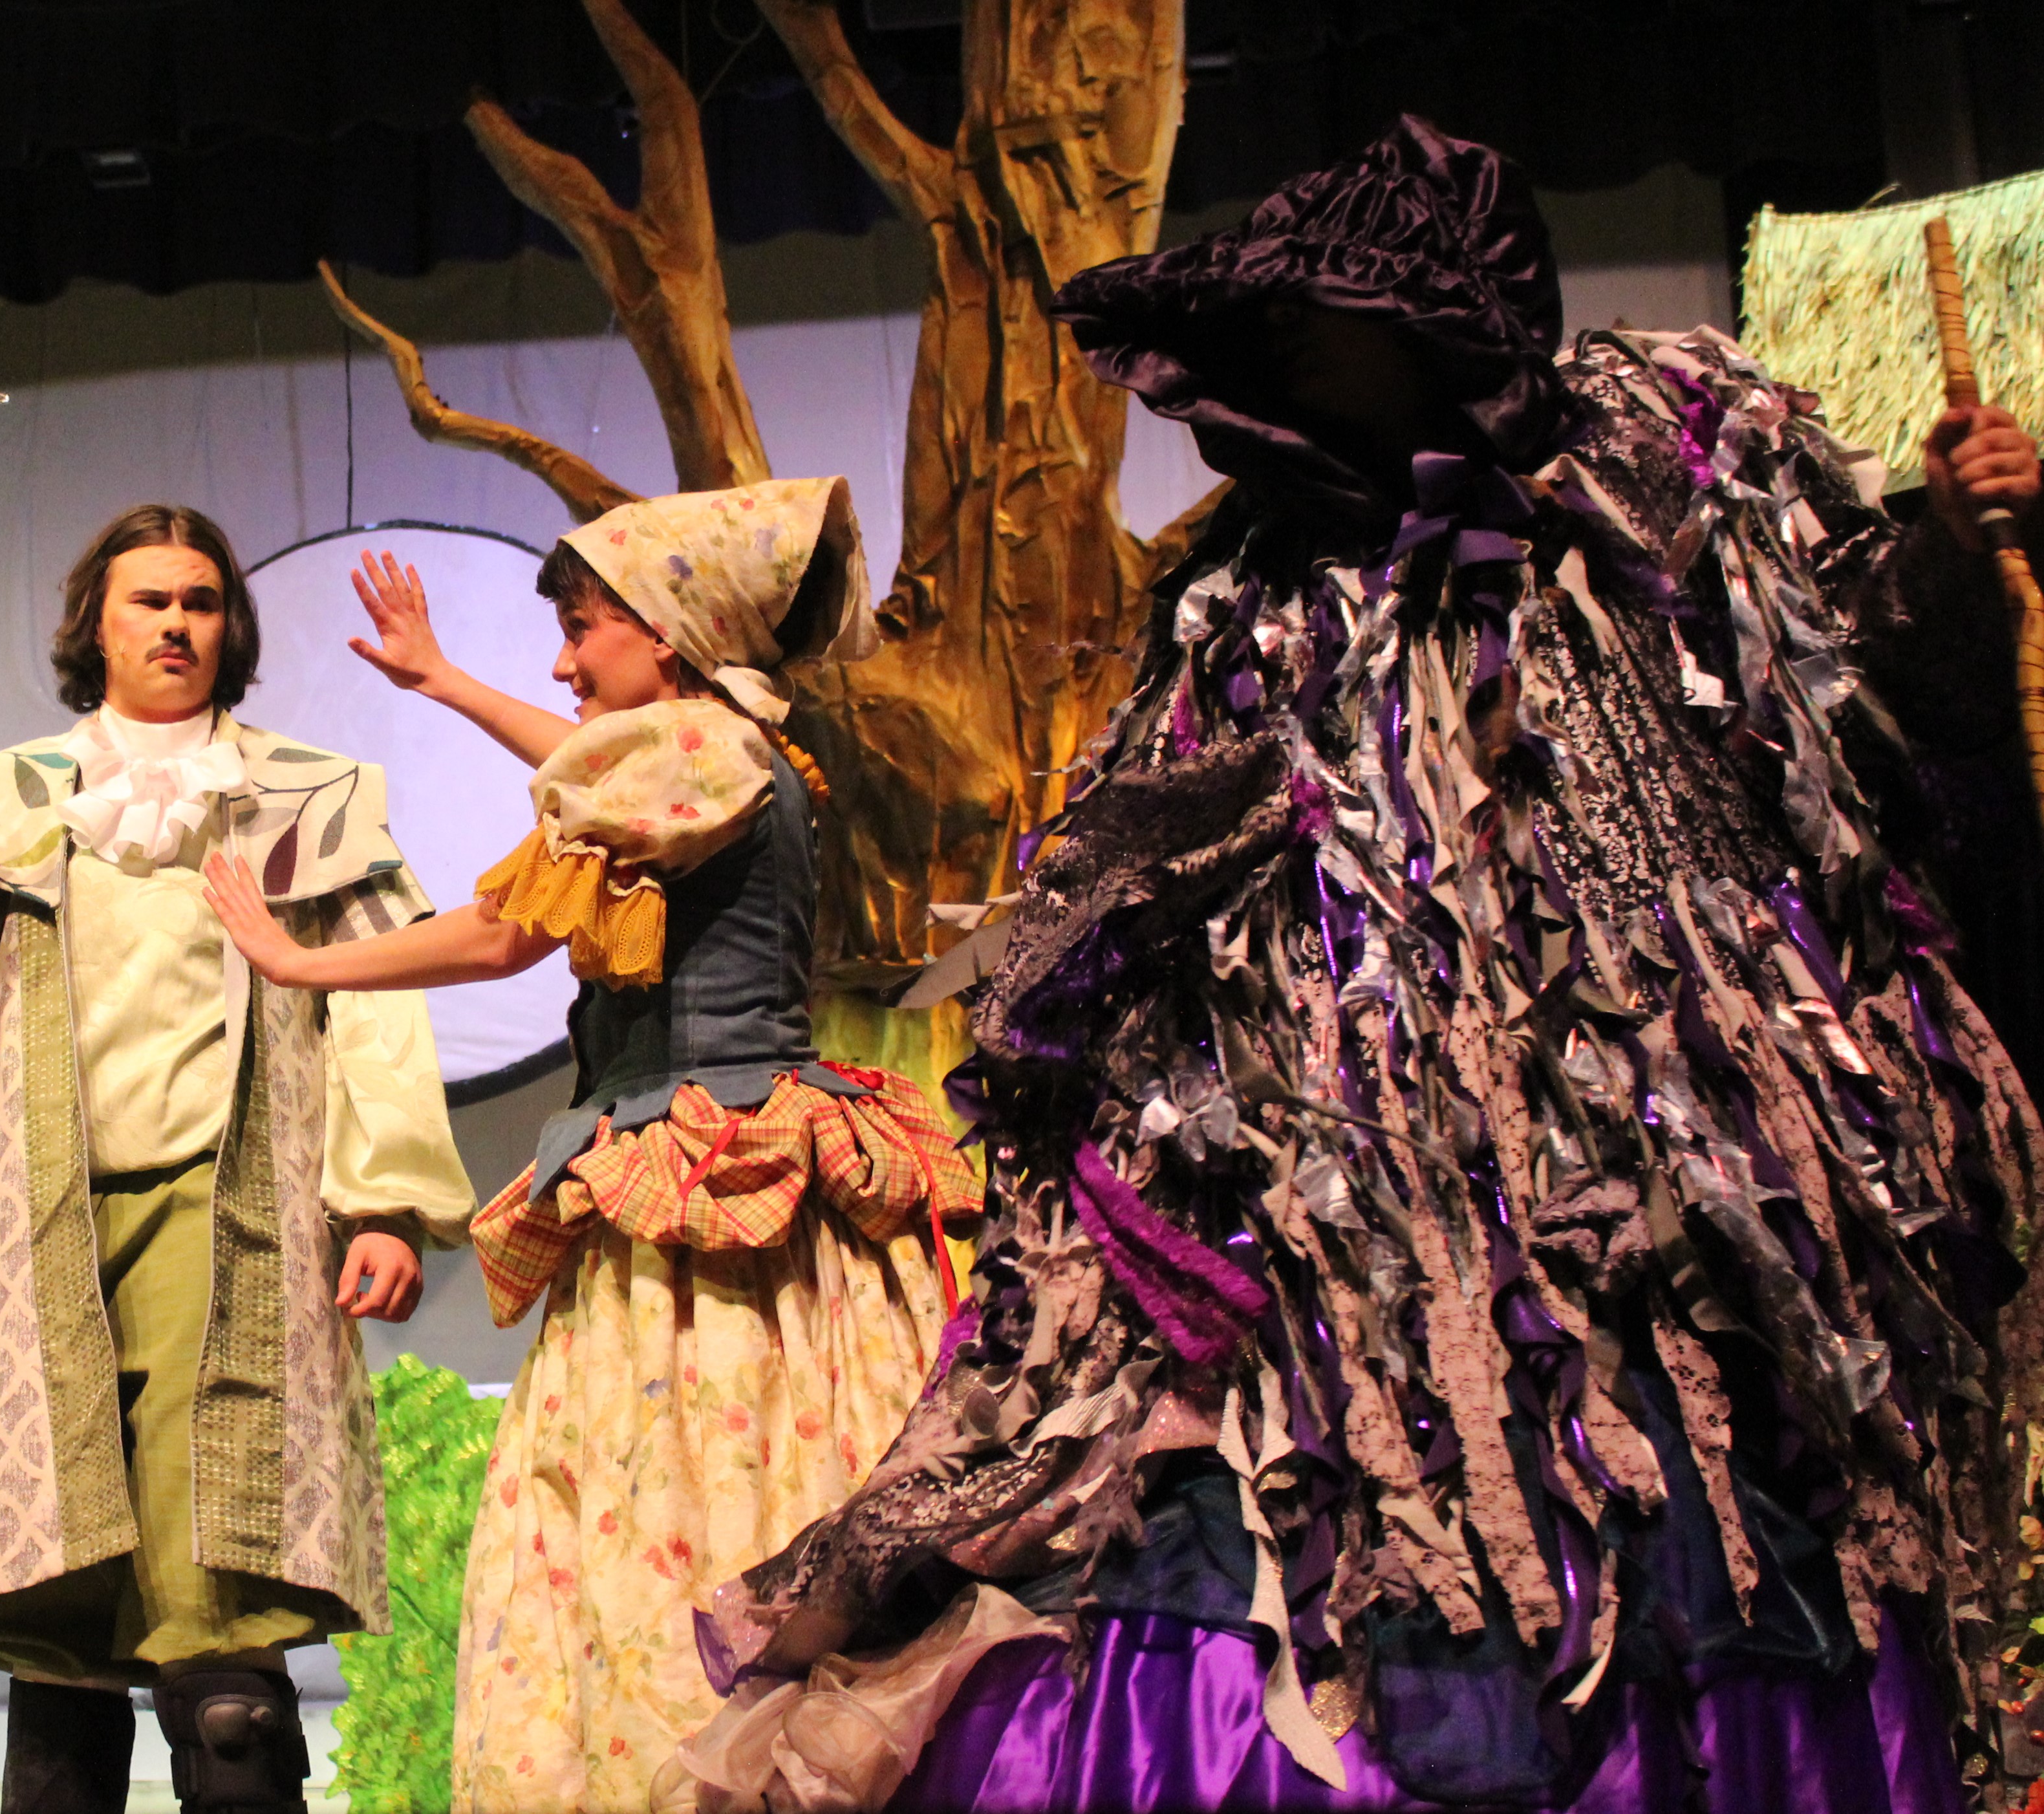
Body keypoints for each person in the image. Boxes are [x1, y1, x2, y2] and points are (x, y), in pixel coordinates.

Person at [674, 119, 2044, 1814]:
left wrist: (1956, 552)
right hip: (1315, 1198)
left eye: (1339, 327)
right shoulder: (1247, 598)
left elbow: (1860, 709)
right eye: (1289, 333)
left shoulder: (1638, 503)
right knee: (1297, 1537)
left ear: (1446, 328)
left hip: (1626, 1177)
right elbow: (1142, 886)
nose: (1308, 367)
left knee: (1657, 1525)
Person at [197, 477, 977, 1814]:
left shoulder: (686, 755)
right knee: (772, 1477)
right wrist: (444, 681)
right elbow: (587, 763)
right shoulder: (736, 745)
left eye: (581, 630)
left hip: (700, 1186)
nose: (563, 663)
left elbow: (507, 932)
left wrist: (298, 959)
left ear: (665, 634)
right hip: (755, 1159)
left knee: (671, 1504)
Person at [0, 502, 473, 1814]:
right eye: (149, 599)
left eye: (200, 600)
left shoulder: (309, 795)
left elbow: (375, 1000)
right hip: (50, 1226)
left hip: (231, 1221)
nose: (177, 623)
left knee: (220, 1628)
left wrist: (383, 1202)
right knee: (67, 1609)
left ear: (230, 625)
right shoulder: (6, 797)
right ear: (94, 623)